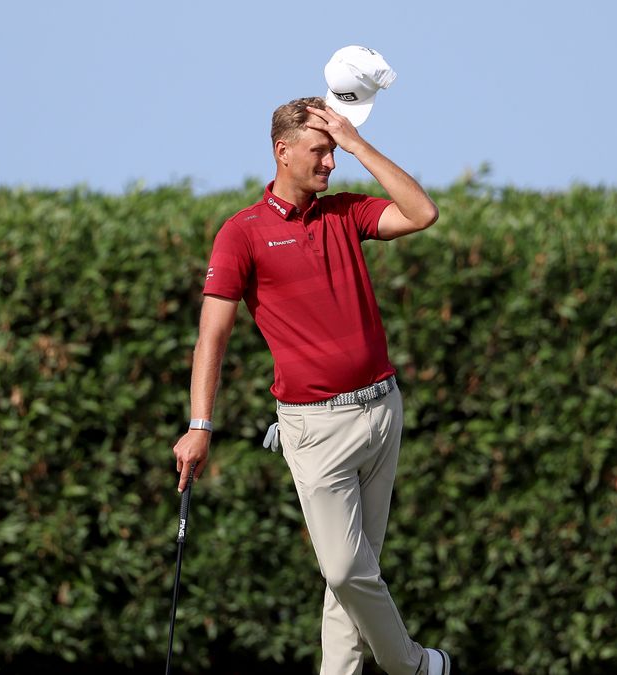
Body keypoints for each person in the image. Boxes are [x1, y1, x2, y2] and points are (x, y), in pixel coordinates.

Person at [171, 96, 450, 675]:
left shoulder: (345, 212)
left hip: (382, 411)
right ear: (283, 152)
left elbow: (421, 213)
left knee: (353, 578)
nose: (331, 163)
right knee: (347, 572)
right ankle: (414, 667)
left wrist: (358, 142)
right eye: (321, 151)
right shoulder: (241, 234)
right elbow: (211, 340)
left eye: (334, 151)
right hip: (315, 426)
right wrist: (200, 425)